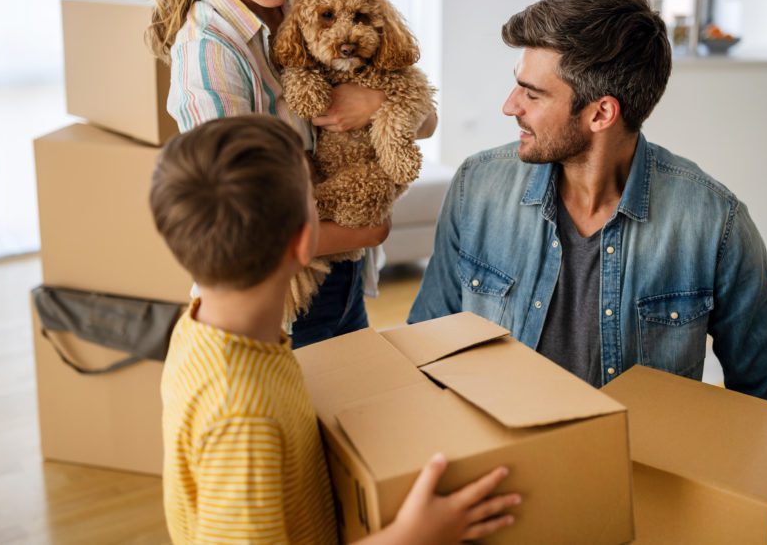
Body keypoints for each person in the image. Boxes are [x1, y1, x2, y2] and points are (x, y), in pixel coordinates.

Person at [407, 0, 767, 410]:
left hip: (637, 467)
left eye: (533, 93)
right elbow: (425, 344)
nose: (510, 107)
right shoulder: (478, 186)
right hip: (494, 460)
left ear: (601, 113)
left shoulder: (713, 224)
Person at [150, 115, 520, 544]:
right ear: (304, 241)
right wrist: (413, 536)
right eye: (314, 197)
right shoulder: (242, 416)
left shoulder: (203, 326)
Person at [147, 0, 437, 348]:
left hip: (345, 287)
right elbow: (241, 227)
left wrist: (378, 103)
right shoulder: (210, 53)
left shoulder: (309, 7)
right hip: (277, 305)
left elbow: (425, 122)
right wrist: (366, 230)